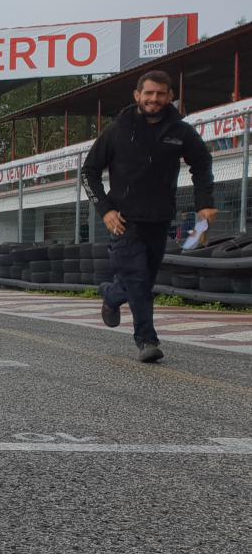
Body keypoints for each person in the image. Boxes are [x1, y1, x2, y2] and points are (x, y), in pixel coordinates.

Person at [81, 70, 215, 363]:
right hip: (123, 220)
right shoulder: (117, 130)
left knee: (142, 282)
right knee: (138, 281)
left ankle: (111, 294)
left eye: (160, 94)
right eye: (149, 93)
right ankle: (147, 341)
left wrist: (204, 204)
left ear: (169, 97)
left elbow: (202, 164)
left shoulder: (180, 131)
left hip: (160, 219)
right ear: (137, 95)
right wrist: (106, 210)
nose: (154, 99)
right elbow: (88, 172)